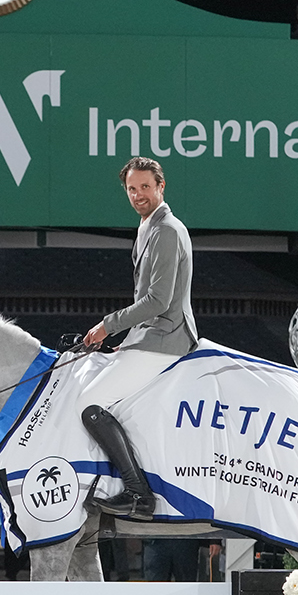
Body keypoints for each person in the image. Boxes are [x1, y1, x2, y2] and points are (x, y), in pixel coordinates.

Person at [78, 157, 198, 521]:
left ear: (161, 187)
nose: (138, 194)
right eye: (132, 188)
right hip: (150, 335)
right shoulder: (148, 226)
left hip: (167, 336)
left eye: (145, 187)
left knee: (89, 402)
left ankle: (137, 494)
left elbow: (158, 301)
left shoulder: (166, 230)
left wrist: (107, 326)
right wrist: (128, 342)